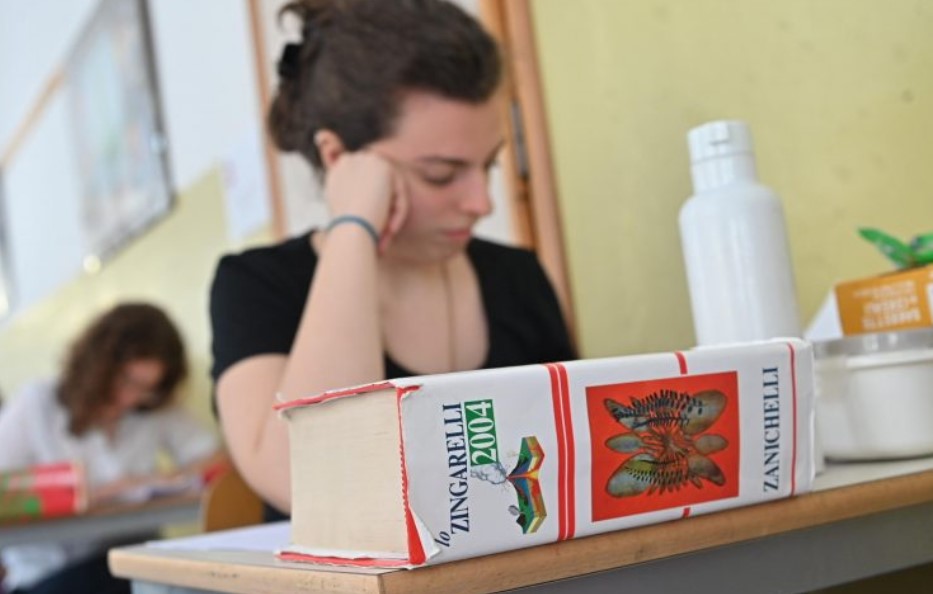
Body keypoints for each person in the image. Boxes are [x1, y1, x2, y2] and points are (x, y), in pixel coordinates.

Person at [209, 0, 574, 520]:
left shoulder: (518, 277)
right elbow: (310, 483)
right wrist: (354, 226)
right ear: (339, 158)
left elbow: (570, 470)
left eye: (489, 165)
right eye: (441, 175)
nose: (482, 203)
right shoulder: (255, 285)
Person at [0, 303, 221, 594]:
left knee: (189, 578)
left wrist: (152, 481)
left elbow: (214, 458)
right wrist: (90, 495)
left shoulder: (151, 408)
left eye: (146, 389)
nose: (130, 398)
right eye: (126, 380)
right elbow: (4, 490)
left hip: (130, 560)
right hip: (52, 572)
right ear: (98, 365)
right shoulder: (37, 404)